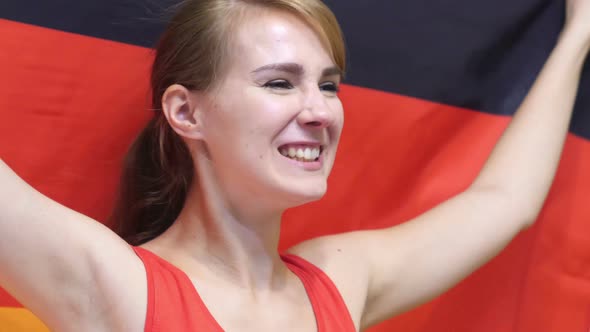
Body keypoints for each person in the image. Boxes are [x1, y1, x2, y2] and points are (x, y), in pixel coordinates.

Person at [1, 0, 589, 331]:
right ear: (187, 112)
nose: (320, 111)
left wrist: (579, 34)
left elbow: (504, 202)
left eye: (328, 85)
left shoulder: (339, 281)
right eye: (280, 82)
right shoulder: (117, 285)